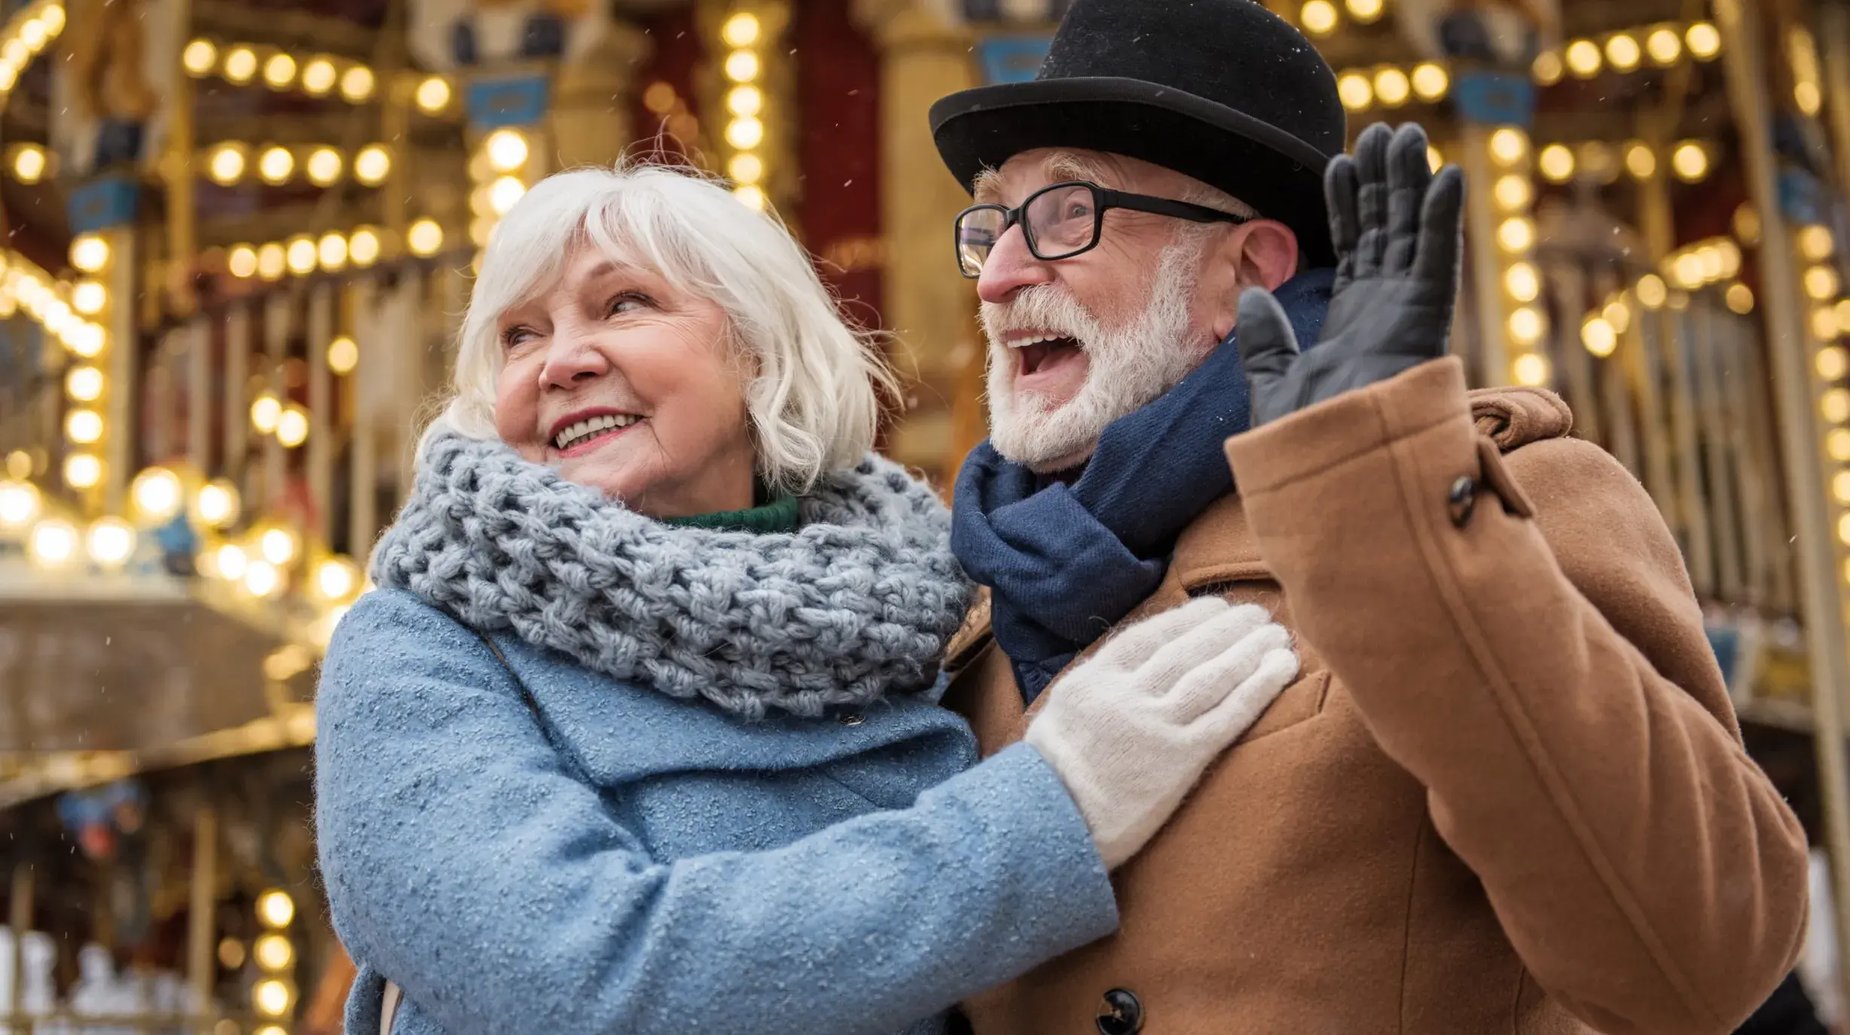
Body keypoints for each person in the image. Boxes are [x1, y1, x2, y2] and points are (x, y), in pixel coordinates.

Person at [930, 1, 1811, 1032]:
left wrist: (1384, 511)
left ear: (1248, 270)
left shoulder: (1511, 495)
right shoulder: (973, 605)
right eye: (991, 227)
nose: (995, 278)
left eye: (1063, 215)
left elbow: (1695, 959)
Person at [312, 163, 1303, 1035]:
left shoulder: (921, 623)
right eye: (519, 335)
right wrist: (1048, 819)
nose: (558, 360)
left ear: (758, 353)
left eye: (621, 305)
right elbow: (575, 981)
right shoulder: (422, 648)